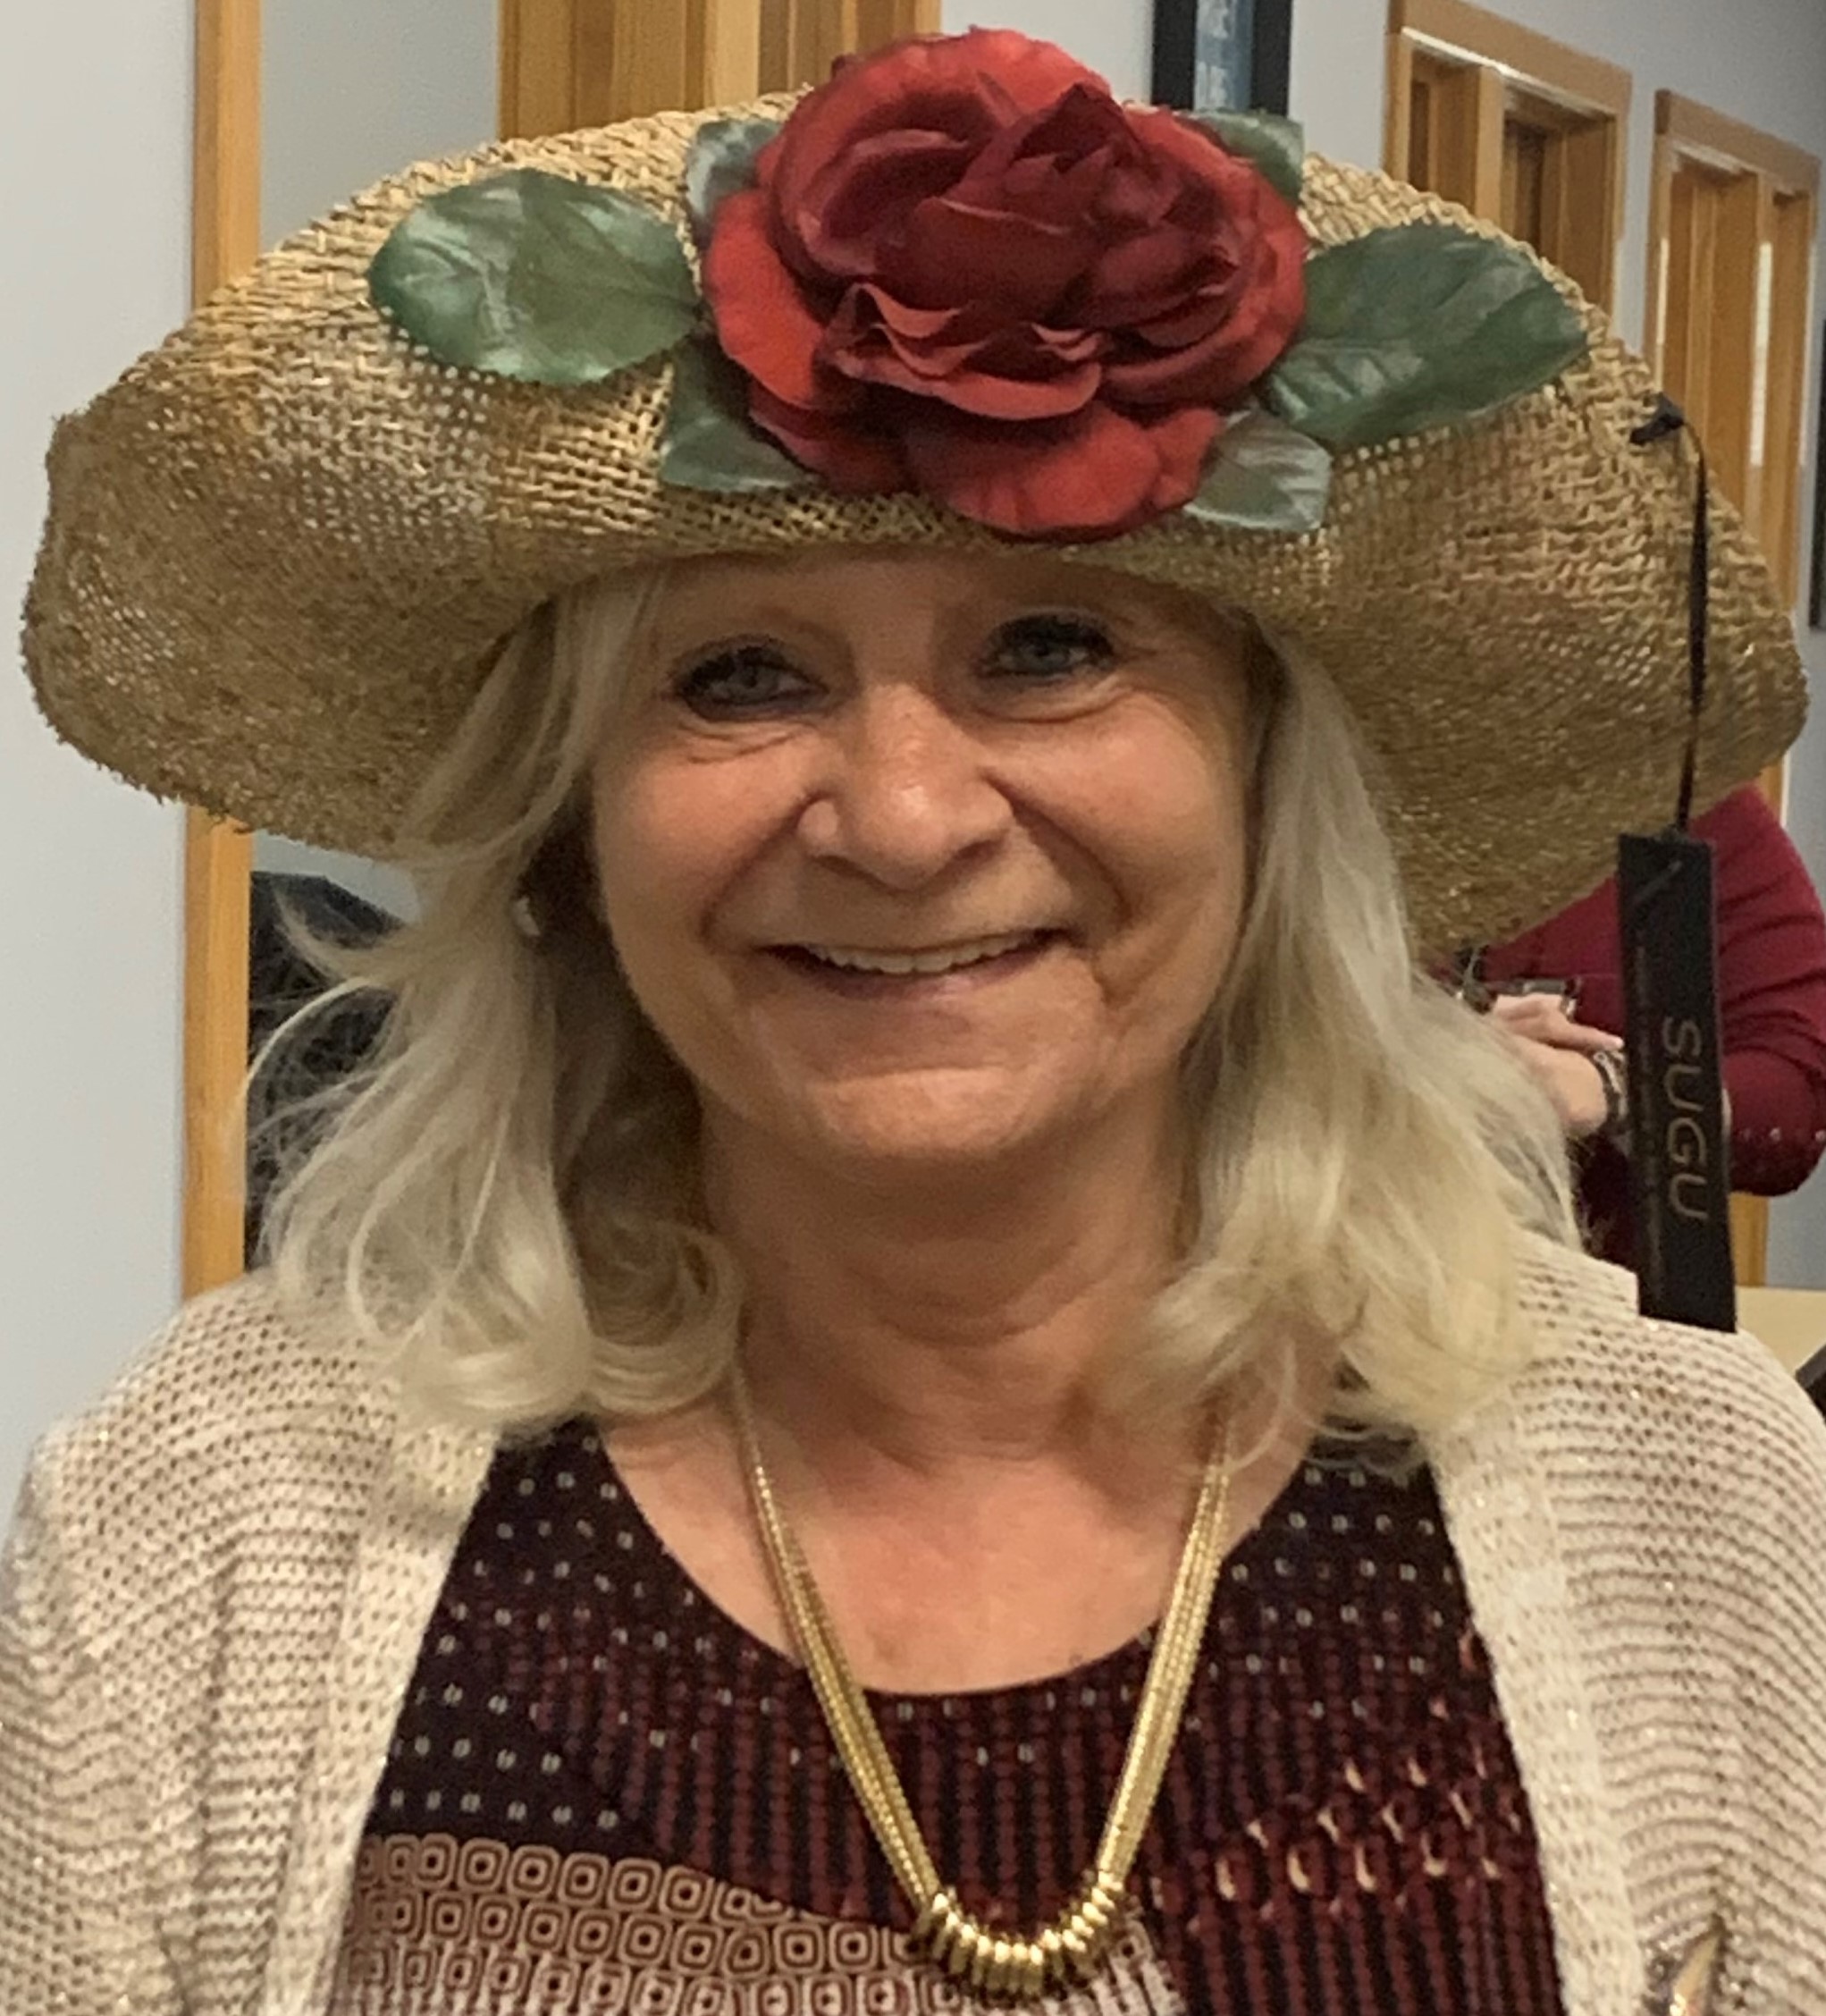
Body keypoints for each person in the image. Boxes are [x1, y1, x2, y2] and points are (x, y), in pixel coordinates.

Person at [4, 29, 1824, 2014]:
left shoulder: (1690, 1505)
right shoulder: (203, 1521)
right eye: (738, 676)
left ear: (1267, 793)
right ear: (565, 832)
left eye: (1048, 648)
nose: (900, 816)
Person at [1476, 784, 1826, 1267]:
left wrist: (1617, 1088)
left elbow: (1794, 1095)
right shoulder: (1344, 798)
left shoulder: (1692, 797)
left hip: (1598, 1294)